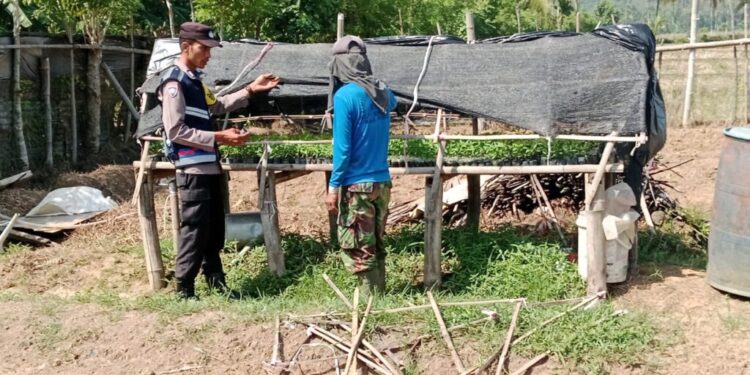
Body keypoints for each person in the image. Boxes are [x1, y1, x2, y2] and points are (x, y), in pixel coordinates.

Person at [157, 22, 280, 299]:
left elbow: (218, 105)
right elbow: (175, 130)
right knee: (195, 229)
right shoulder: (175, 83)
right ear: (186, 46)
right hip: (192, 169)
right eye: (204, 49)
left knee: (213, 228)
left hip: (209, 167)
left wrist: (251, 90)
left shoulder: (195, 82)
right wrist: (219, 137)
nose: (208, 56)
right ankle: (184, 289)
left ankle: (216, 282)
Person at [324, 36, 398, 297]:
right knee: (376, 242)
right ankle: (381, 298)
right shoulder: (384, 93)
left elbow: (343, 149)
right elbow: (395, 103)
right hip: (382, 182)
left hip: (357, 186)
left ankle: (369, 305)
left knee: (358, 246)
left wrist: (333, 187)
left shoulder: (345, 96)